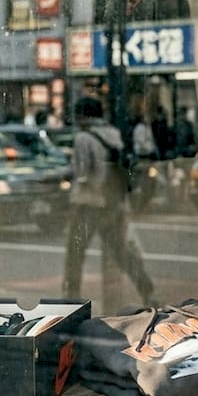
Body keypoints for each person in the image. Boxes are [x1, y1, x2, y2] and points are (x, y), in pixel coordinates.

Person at [63, 96, 156, 305]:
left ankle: (71, 299)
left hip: (87, 204)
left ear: (83, 115)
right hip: (112, 203)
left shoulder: (83, 138)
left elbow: (82, 173)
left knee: (75, 255)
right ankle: (147, 290)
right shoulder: (113, 134)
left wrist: (67, 175)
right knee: (122, 252)